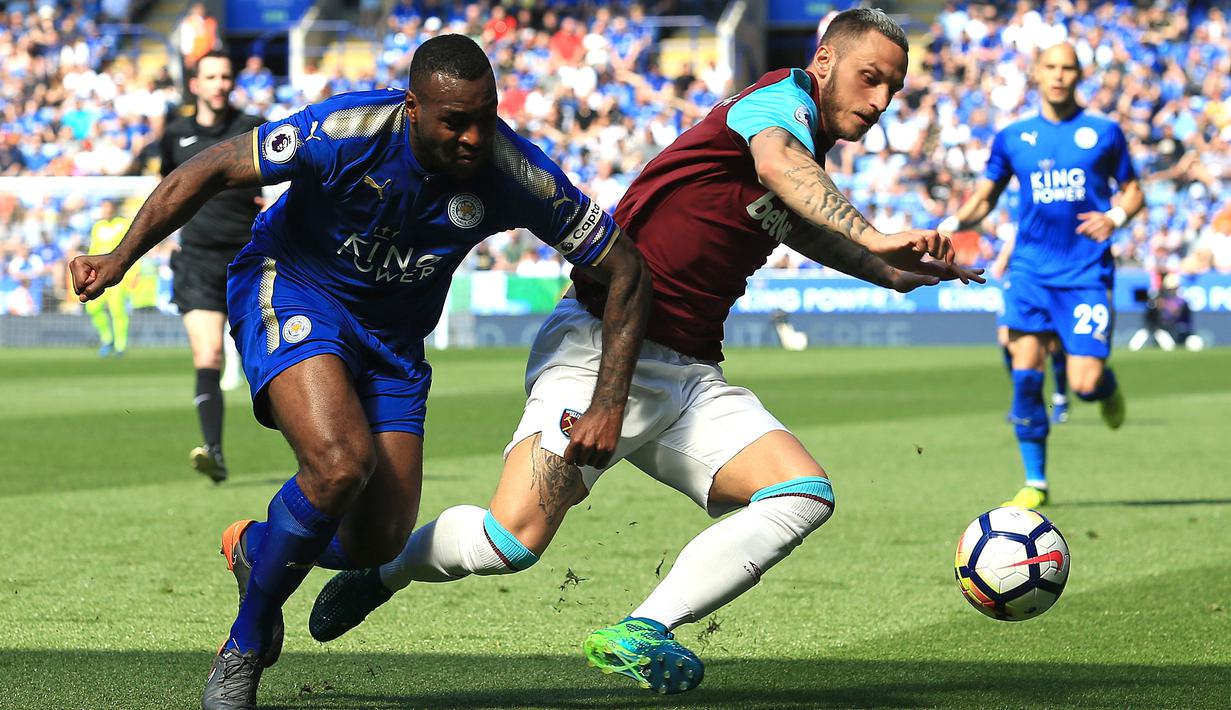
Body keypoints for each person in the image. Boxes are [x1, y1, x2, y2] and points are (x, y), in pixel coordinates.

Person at [309, 9, 981, 695]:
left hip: (687, 372)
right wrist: (871, 235)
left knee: (801, 493)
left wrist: (888, 273)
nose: (879, 102)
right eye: (869, 79)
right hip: (602, 344)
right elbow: (781, 165)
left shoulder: (801, 142)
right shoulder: (778, 102)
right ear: (823, 62)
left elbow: (793, 220)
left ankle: (642, 628)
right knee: (509, 543)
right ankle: (383, 572)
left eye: (892, 91)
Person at [69, 34, 650, 710]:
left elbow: (625, 270)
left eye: (484, 118)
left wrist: (609, 401)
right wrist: (118, 258)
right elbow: (212, 167)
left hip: (393, 338)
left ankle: (258, 547)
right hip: (292, 288)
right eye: (453, 121)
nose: (472, 137)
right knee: (339, 462)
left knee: (380, 538)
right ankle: (244, 646)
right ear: (411, 108)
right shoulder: (344, 130)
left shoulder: (515, 172)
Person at [938, 42, 1143, 509]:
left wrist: (1115, 217)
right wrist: (949, 226)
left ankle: (1105, 389)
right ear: (1036, 72)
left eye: (1068, 67)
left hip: (1086, 274)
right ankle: (1037, 481)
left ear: (1080, 74)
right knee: (1026, 376)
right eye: (1050, 66)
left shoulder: (1104, 132)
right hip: (1030, 272)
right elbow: (986, 198)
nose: (1059, 75)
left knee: (1085, 383)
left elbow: (1134, 193)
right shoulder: (1013, 137)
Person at [161, 50, 266, 484]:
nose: (220, 83)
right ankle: (214, 451)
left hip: (249, 260)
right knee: (208, 354)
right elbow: (167, 192)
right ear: (195, 84)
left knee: (268, 361)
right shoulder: (176, 135)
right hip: (198, 261)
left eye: (226, 75)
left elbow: (277, 181)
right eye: (212, 76)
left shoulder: (252, 128)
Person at [988, 232, 1069, 423]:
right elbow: (1001, 264)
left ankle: (1060, 399)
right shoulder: (1018, 225)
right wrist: (1004, 258)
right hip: (1018, 284)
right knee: (1006, 341)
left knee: (1055, 346)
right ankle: (1026, 399)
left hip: (1050, 283)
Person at [85, 200, 131, 357]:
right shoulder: (98, 227)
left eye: (108, 208)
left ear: (114, 209)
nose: (105, 211)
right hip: (99, 275)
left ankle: (120, 346)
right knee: (93, 308)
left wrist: (132, 273)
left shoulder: (123, 224)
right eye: (103, 208)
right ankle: (107, 339)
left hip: (118, 274)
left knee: (117, 311)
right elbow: (93, 249)